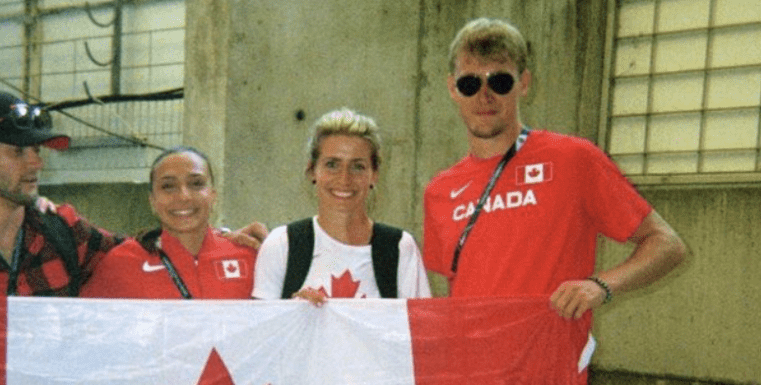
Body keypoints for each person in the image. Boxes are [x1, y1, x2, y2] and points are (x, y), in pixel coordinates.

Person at [0, 91, 266, 296]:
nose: (36, 163)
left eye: (37, 150)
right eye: (18, 151)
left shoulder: (65, 235)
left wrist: (222, 239)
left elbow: (147, 253)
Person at [422, 17, 687, 318]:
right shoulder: (439, 191)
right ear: (452, 88)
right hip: (474, 363)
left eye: (500, 81)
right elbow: (457, 289)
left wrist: (601, 286)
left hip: (550, 362)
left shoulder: (573, 160)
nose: (485, 95)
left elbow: (667, 244)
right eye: (470, 83)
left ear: (523, 83)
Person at [252, 108, 431, 302]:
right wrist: (293, 314)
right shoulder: (282, 244)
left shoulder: (399, 248)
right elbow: (263, 330)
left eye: (358, 166)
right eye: (332, 164)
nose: (344, 179)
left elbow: (421, 330)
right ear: (312, 171)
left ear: (374, 175)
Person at [80, 146, 255, 299]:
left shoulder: (249, 256)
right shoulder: (120, 263)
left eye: (196, 184)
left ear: (213, 196)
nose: (183, 196)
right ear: (152, 201)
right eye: (168, 186)